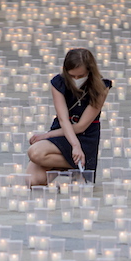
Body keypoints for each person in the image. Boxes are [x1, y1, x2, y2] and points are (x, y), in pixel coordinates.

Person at [27, 48, 112, 186]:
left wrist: (75, 145)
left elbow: (81, 126)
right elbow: (63, 119)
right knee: (33, 182)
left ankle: (77, 164)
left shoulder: (101, 87)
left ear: (90, 72)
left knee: (36, 153)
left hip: (85, 136)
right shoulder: (59, 82)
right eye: (72, 76)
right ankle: (72, 166)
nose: (76, 80)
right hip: (62, 130)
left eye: (81, 76)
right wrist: (51, 137)